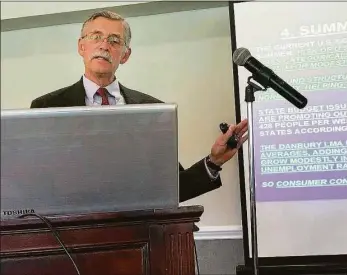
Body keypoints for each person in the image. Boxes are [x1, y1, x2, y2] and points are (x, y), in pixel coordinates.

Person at [30, 10, 248, 202]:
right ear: (81, 46)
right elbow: (37, 183)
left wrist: (213, 161)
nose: (104, 45)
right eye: (96, 37)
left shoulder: (152, 110)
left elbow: (172, 188)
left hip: (142, 236)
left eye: (115, 40)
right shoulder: (47, 107)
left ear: (125, 55)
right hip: (70, 237)